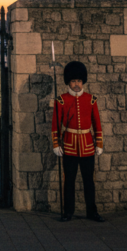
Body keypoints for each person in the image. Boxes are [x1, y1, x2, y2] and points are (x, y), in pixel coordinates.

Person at [52, 60, 105, 222]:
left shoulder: (91, 99)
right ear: (69, 81)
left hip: (88, 145)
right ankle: (68, 212)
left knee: (89, 181)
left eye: (79, 81)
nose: (77, 84)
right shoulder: (61, 100)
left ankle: (92, 211)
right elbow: (56, 124)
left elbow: (97, 123)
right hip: (69, 145)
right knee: (69, 181)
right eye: (74, 81)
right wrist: (56, 144)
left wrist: (99, 143)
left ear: (83, 82)